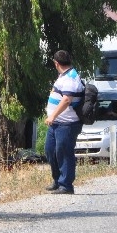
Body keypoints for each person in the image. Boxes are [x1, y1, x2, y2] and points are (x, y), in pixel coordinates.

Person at [44, 50, 85, 194]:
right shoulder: (64, 76)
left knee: (64, 152)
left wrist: (52, 116)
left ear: (56, 63)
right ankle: (57, 180)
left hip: (67, 123)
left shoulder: (71, 78)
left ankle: (66, 185)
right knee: (50, 150)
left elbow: (67, 99)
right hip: (57, 124)